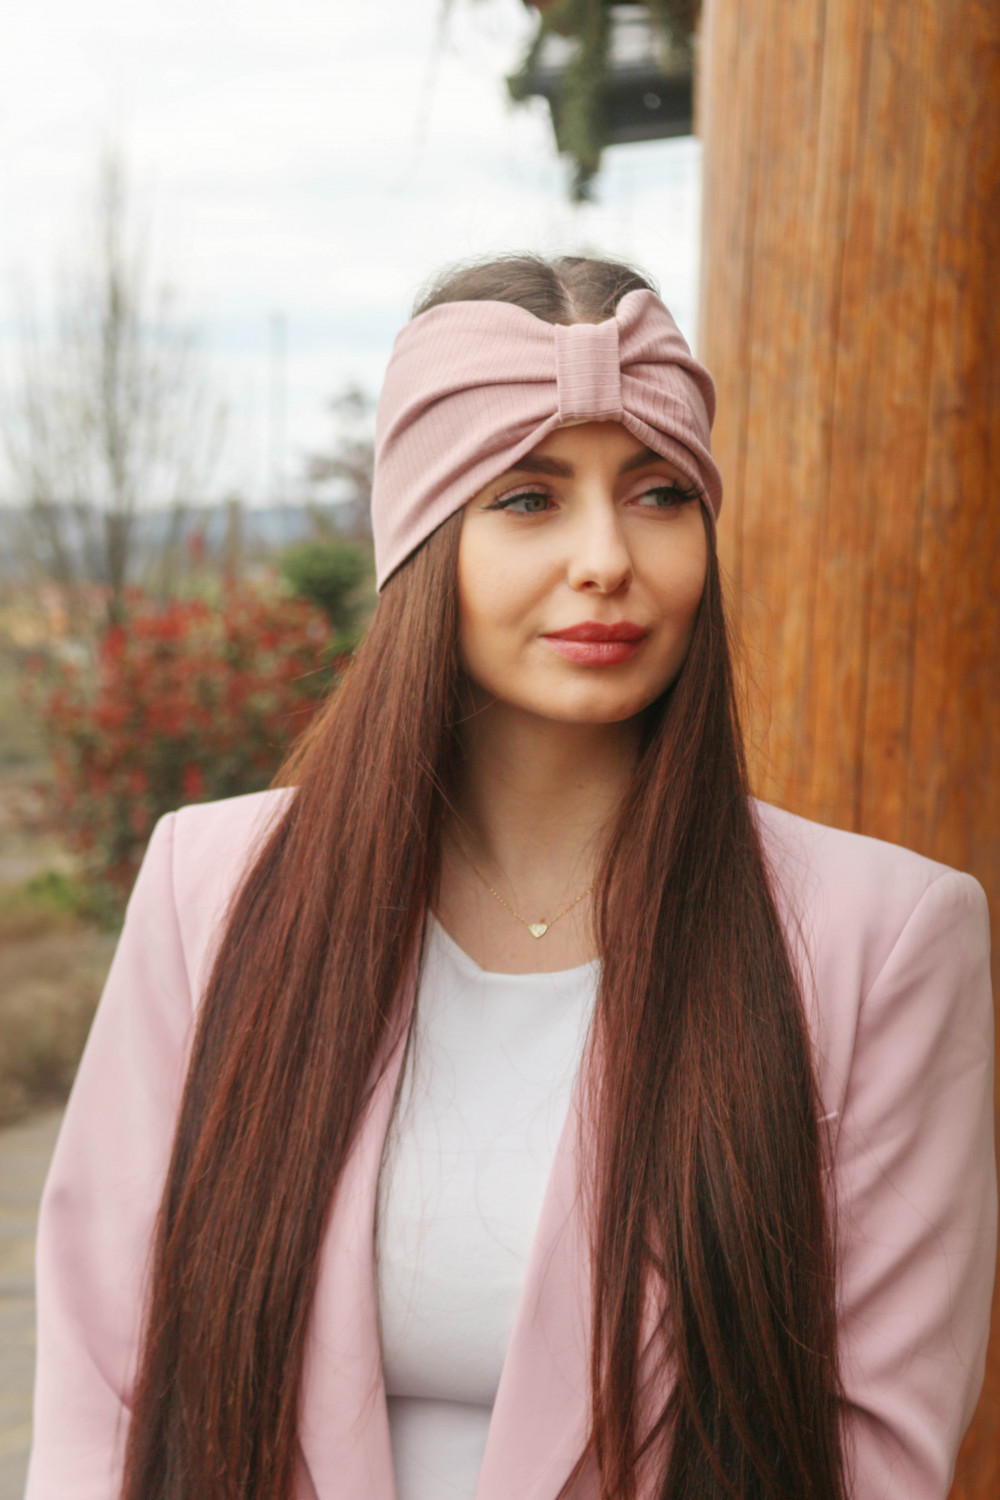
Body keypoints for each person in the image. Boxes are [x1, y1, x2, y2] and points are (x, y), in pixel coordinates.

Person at [24, 253, 995, 1500]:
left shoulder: (883, 935)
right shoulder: (210, 889)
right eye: (529, 498)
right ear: (423, 540)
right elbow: (102, 1386)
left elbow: (876, 1447)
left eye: (657, 493)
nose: (605, 558)